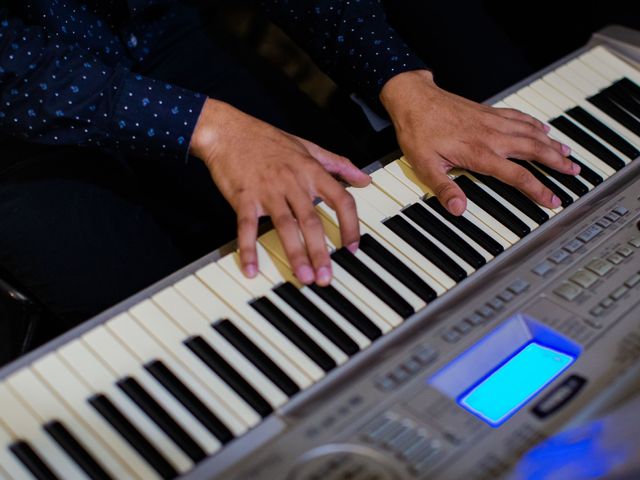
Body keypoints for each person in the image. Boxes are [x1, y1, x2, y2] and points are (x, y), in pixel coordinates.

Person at [0, 0, 579, 336]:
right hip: (11, 117)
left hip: (145, 24)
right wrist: (214, 128)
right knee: (153, 329)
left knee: (351, 227)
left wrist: (401, 83)